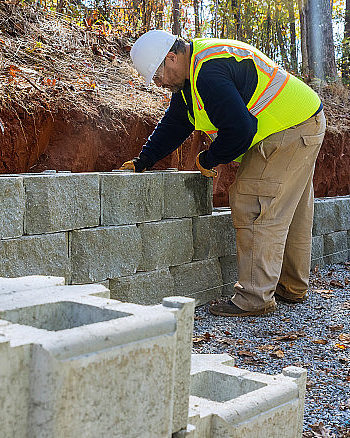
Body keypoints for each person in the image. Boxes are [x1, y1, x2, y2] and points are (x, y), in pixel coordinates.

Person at [120, 30, 326, 317]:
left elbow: (240, 131)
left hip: (288, 128)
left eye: (158, 76)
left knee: (253, 203)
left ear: (172, 58)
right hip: (303, 118)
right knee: (290, 210)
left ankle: (254, 298)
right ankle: (291, 287)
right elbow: (175, 123)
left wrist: (210, 158)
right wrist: (143, 161)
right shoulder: (194, 75)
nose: (159, 84)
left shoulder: (208, 74)